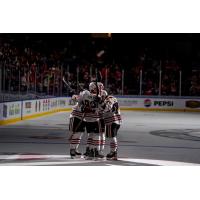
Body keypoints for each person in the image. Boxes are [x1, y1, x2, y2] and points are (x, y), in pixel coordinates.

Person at [103, 95, 122, 160]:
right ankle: (114, 153)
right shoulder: (114, 98)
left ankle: (112, 152)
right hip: (118, 120)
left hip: (111, 120)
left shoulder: (108, 99)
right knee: (113, 137)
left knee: (112, 137)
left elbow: (108, 109)